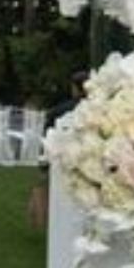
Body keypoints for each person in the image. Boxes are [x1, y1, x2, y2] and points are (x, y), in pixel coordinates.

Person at [29, 70, 88, 229]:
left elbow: (47, 138)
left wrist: (43, 164)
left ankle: (49, 224)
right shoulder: (98, 109)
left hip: (62, 161)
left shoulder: (58, 111)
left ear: (75, 88)